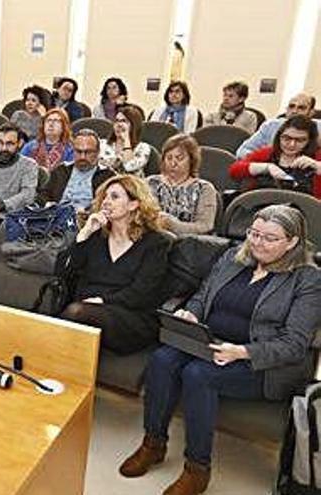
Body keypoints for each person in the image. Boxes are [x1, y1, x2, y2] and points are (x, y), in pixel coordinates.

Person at [119, 204, 321, 495]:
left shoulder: (308, 279)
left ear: (292, 242)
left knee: (199, 374)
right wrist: (191, 314)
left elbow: (294, 345)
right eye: (254, 233)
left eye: (269, 238)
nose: (257, 243)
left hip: (262, 362)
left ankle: (197, 469)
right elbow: (202, 297)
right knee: (163, 360)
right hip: (211, 341)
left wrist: (243, 352)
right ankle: (153, 443)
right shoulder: (233, 257)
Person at [59, 174, 170, 354]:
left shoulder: (156, 243)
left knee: (76, 313)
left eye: (114, 197)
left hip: (131, 316)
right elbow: (63, 273)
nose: (106, 202)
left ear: (134, 204)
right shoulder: (95, 236)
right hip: (89, 309)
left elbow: (142, 292)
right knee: (74, 315)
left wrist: (102, 301)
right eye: (105, 197)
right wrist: (83, 235)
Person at [229, 115, 321, 199]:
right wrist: (267, 167)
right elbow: (234, 170)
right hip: (261, 203)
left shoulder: (317, 157)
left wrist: (317, 166)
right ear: (279, 137)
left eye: (300, 140)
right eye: (286, 138)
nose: (292, 144)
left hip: (301, 210)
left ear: (310, 141)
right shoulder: (268, 153)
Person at [147, 134, 218, 235]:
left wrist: (172, 225)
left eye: (179, 158)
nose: (173, 163)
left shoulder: (204, 188)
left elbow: (205, 226)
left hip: (188, 245)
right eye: (169, 158)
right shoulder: (151, 183)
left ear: (192, 160)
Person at [37, 128, 115, 212]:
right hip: (57, 217)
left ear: (98, 152)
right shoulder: (61, 171)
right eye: (78, 151)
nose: (82, 157)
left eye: (88, 152)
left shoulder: (107, 176)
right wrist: (48, 205)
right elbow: (43, 196)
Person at [0, 123, 39, 217]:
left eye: (9, 144)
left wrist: (0, 206)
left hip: (13, 216)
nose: (4, 148)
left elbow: (28, 195)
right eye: (0, 143)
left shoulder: (29, 165)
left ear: (19, 143)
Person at [236, 93, 321, 158]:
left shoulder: (319, 128)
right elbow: (243, 151)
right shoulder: (271, 126)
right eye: (291, 106)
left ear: (311, 113)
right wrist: (267, 162)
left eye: (301, 108)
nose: (294, 111)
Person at [99, 105, 153, 177]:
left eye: (124, 121)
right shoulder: (102, 144)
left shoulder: (143, 148)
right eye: (116, 121)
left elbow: (128, 167)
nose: (119, 125)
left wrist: (126, 140)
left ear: (134, 125)